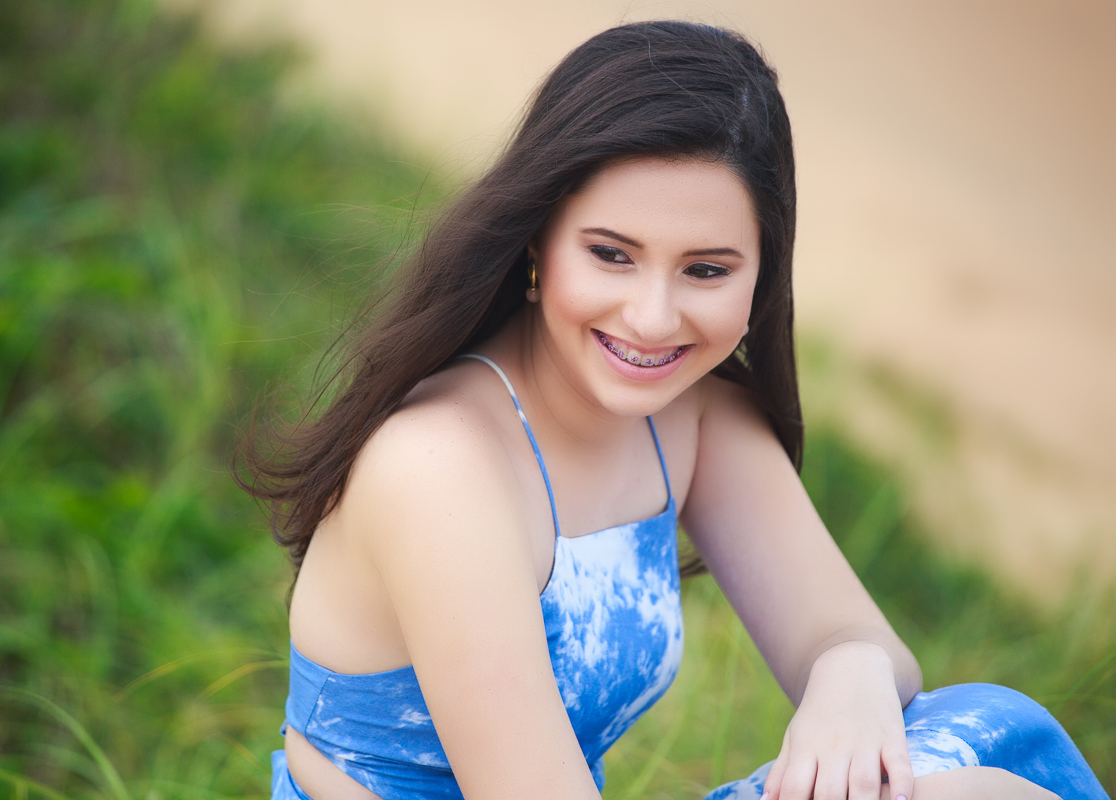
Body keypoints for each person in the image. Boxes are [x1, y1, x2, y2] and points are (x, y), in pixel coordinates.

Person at [239, 21, 1109, 800]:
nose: (653, 319)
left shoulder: (693, 418)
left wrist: (847, 683)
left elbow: (860, 644)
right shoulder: (439, 468)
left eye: (706, 270)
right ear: (539, 238)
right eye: (612, 255)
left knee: (983, 743)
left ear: (763, 273)